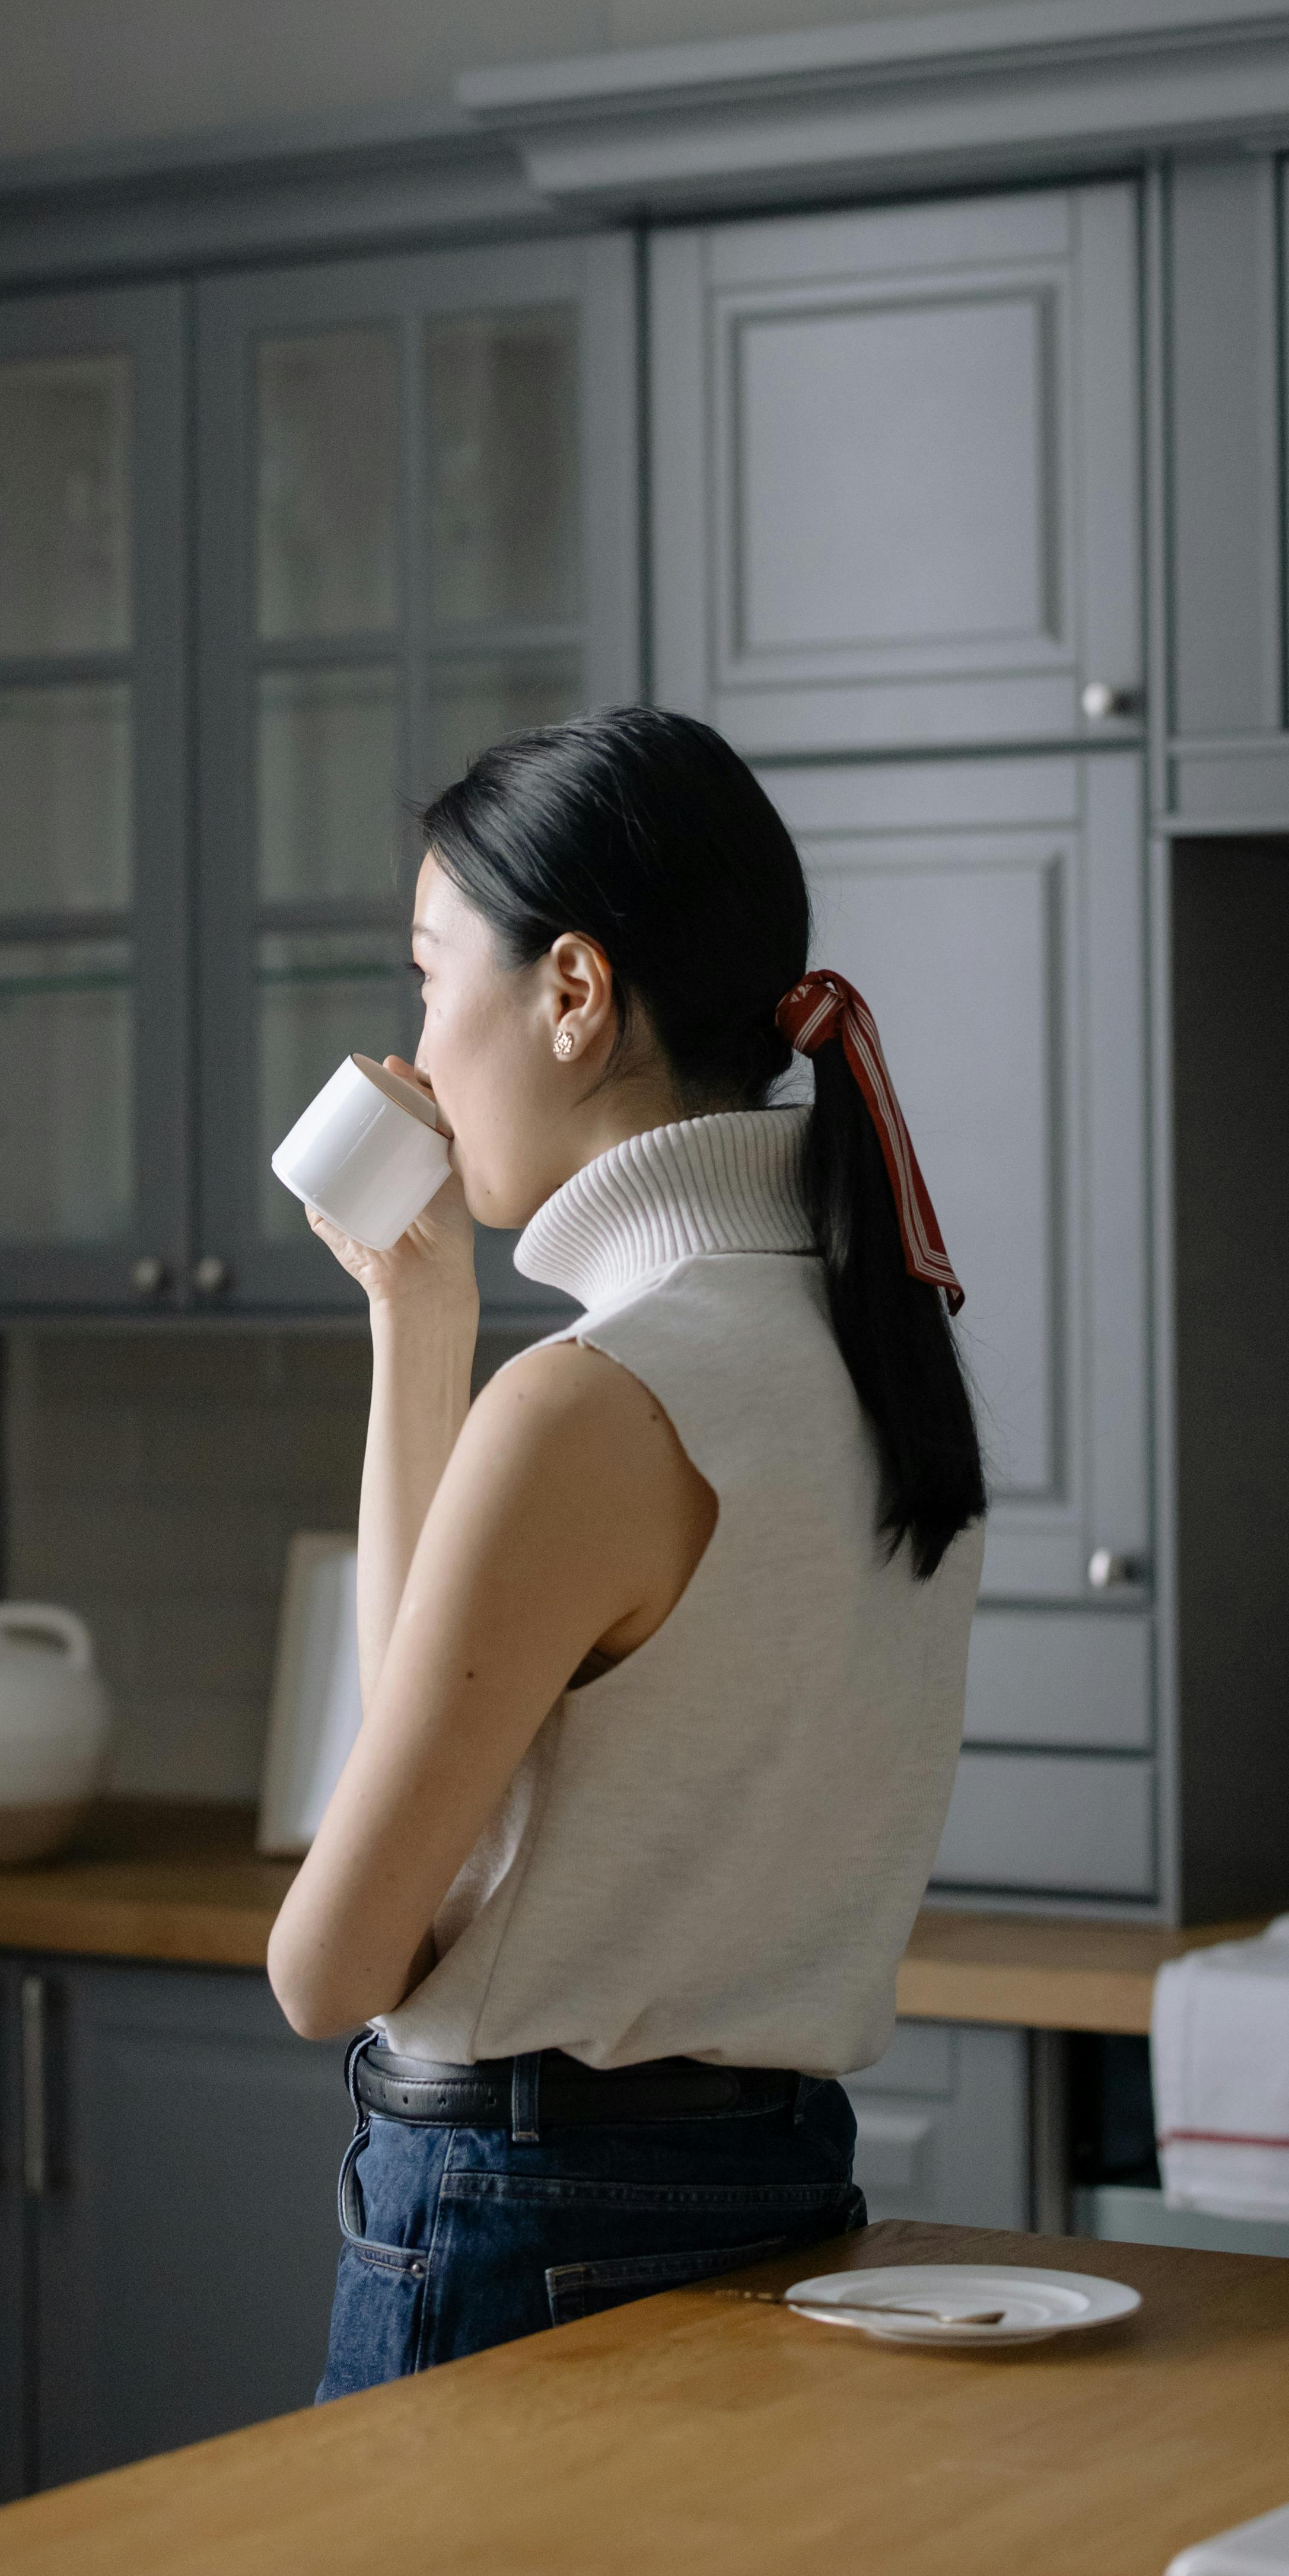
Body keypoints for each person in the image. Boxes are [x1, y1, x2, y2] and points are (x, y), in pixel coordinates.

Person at [266, 703, 986, 2393]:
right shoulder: (870, 1353)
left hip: (517, 2215)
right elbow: (445, 1757)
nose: (420, 1053)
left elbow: (330, 1968)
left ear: (573, 994)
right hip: (777, 2190)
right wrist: (417, 1317)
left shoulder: (593, 1399)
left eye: (435, 978)